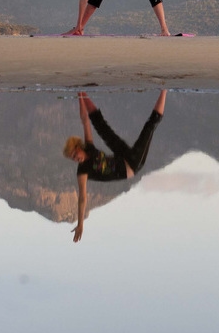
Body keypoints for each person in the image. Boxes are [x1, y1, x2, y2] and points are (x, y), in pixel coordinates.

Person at [63, 89, 166, 242]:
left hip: (121, 156)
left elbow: (85, 120)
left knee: (100, 126)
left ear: (78, 147)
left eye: (74, 155)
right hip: (132, 164)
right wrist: (80, 224)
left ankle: (84, 91)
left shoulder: (88, 148)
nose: (75, 159)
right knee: (150, 126)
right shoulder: (82, 172)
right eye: (73, 159)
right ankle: (164, 89)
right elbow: (82, 198)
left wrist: (80, 96)